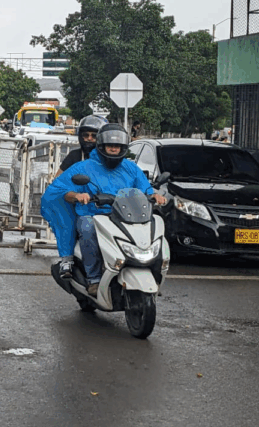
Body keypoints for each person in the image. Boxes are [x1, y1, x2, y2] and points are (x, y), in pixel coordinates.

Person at [42, 124, 167, 295]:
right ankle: (93, 279)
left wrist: (155, 196)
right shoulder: (83, 167)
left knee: (152, 226)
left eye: (117, 146)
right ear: (101, 146)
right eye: (110, 145)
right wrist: (77, 196)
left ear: (124, 147)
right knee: (87, 228)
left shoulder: (130, 168)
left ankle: (151, 271)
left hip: (125, 215)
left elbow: (145, 189)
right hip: (93, 214)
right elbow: (61, 190)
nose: (114, 149)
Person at [54, 115, 108, 179]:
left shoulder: (108, 157)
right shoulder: (74, 156)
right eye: (86, 135)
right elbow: (57, 180)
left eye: (94, 136)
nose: (89, 138)